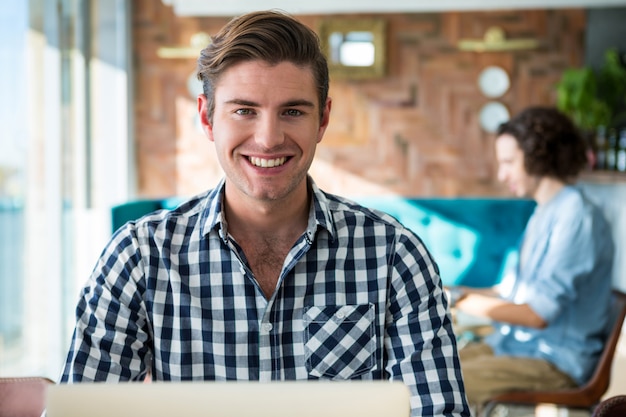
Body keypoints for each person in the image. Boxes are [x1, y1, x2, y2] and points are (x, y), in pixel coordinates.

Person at [60, 10, 470, 416]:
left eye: (292, 111)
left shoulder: (394, 254)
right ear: (207, 117)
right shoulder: (139, 255)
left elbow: (439, 411)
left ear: (323, 118)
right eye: (244, 111)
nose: (269, 138)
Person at [449, 107, 615, 410]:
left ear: (538, 155)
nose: (502, 174)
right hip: (516, 347)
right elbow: (508, 291)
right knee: (427, 365)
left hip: (554, 362)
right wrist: (444, 291)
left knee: (439, 381)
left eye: (509, 162)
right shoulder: (544, 212)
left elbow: (536, 315)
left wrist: (456, 300)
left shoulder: (575, 216)